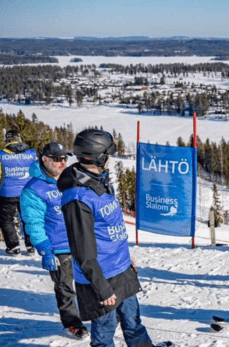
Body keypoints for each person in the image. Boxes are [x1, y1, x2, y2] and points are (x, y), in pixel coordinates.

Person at [58, 129, 168, 347]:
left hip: (120, 268)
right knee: (104, 334)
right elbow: (83, 251)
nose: (110, 159)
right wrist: (101, 287)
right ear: (99, 157)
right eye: (108, 154)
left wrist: (125, 257)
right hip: (100, 279)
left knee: (133, 322)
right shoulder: (78, 198)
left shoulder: (97, 181)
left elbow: (108, 228)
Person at [20, 142, 89, 339]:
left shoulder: (71, 178)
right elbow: (33, 223)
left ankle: (102, 316)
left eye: (64, 158)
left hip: (81, 242)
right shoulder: (34, 189)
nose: (62, 162)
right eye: (57, 159)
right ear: (45, 160)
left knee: (93, 280)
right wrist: (45, 249)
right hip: (58, 247)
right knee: (65, 287)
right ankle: (73, 323)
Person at [0, 129, 38, 256]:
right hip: (28, 193)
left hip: (8, 193)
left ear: (7, 140)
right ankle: (31, 246)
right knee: (29, 219)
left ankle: (13, 246)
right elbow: (39, 171)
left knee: (7, 220)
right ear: (19, 138)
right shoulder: (32, 154)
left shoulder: (0, 156)